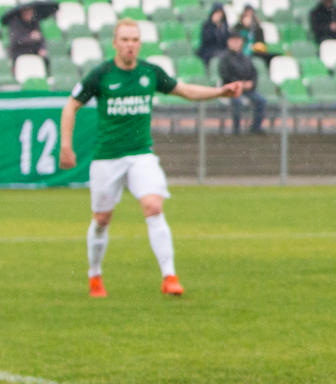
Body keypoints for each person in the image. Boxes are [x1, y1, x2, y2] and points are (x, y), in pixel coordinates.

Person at [59, 19, 245, 298]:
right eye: (124, 39)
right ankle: (94, 275)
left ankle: (170, 276)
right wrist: (66, 145)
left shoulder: (150, 72)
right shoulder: (101, 75)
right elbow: (71, 106)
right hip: (107, 157)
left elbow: (185, 90)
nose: (130, 45)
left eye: (134, 40)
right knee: (102, 219)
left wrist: (219, 92)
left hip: (140, 155)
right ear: (115, 43)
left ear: (140, 43)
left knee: (154, 207)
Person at [216, 32, 266, 134]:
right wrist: (238, 84)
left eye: (238, 40)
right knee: (237, 101)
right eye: (233, 40)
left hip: (247, 90)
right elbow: (225, 76)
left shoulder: (246, 57)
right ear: (228, 42)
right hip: (231, 90)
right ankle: (237, 129)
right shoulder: (225, 58)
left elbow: (254, 73)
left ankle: (255, 128)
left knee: (261, 100)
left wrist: (251, 83)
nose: (236, 43)